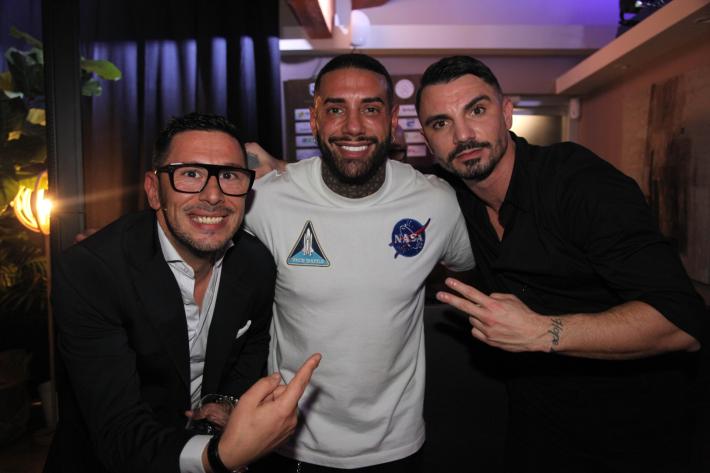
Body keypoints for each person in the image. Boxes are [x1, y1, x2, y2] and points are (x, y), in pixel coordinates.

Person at [415, 55, 706, 472]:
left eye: (476, 110)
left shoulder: (579, 183)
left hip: (637, 432)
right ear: (427, 140)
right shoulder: (452, 196)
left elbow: (682, 323)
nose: (463, 135)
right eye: (441, 123)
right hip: (537, 427)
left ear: (507, 113)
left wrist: (540, 331)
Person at [44, 113, 321, 473]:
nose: (213, 195)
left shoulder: (255, 264)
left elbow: (252, 348)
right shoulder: (92, 272)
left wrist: (227, 403)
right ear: (153, 190)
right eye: (190, 174)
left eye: (229, 175)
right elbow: (117, 432)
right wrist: (220, 456)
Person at [245, 54, 475, 471]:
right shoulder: (268, 201)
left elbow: (472, 267)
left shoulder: (436, 203)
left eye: (370, 109)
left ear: (392, 119)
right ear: (315, 119)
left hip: (397, 446)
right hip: (291, 443)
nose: (353, 126)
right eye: (336, 110)